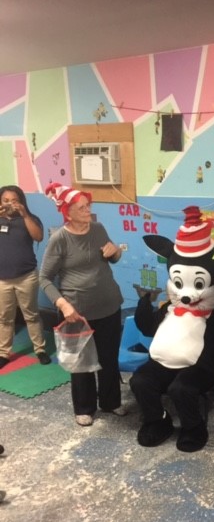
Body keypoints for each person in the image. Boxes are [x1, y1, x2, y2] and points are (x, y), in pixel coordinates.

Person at [39, 183, 126, 427]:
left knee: (108, 359)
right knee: (82, 363)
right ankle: (85, 407)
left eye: (88, 205)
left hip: (109, 305)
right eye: (82, 208)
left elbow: (113, 257)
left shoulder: (98, 229)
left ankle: (110, 402)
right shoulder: (60, 239)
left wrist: (115, 252)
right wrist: (63, 305)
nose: (88, 210)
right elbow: (44, 278)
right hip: (77, 313)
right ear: (68, 212)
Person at [0, 185, 51, 370]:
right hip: (2, 279)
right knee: (5, 318)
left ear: (21, 201)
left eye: (14, 200)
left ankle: (40, 350)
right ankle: (3, 353)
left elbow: (38, 236)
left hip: (26, 276)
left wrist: (24, 215)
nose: (10, 204)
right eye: (6, 200)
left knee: (31, 314)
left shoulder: (30, 218)